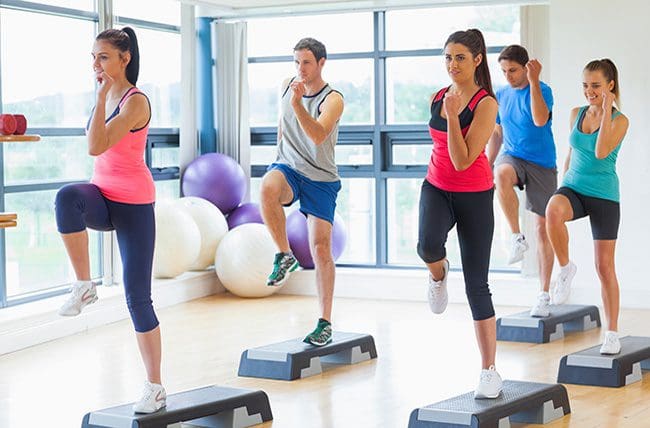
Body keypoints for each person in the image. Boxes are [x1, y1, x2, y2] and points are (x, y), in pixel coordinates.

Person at [55, 27, 166, 413]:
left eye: (103, 57)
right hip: (101, 196)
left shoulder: (136, 102)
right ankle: (84, 285)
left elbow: (95, 145)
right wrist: (101, 98)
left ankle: (154, 386)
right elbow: (94, 151)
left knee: (138, 298)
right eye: (93, 57)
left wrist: (102, 98)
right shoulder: (103, 98)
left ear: (124, 59)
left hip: (134, 204)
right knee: (67, 198)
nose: (95, 64)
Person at [417, 29, 502, 398]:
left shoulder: (485, 104)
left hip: (475, 196)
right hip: (436, 187)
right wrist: (447, 112)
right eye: (448, 58)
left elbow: (464, 158)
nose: (453, 65)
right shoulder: (438, 96)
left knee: (476, 286)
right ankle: (438, 275)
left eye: (461, 58)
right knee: (427, 247)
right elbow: (440, 150)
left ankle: (489, 371)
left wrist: (453, 117)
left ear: (477, 60)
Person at [260, 37, 344, 347]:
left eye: (306, 62)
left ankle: (324, 322)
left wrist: (298, 104)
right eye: (296, 62)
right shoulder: (287, 84)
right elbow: (283, 123)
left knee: (321, 249)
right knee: (268, 186)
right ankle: (284, 255)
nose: (300, 69)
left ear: (321, 63)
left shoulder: (333, 98)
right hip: (289, 168)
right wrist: (280, 154)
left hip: (321, 178)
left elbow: (319, 135)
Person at [545, 59, 628, 355]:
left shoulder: (620, 121)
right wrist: (562, 184)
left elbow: (601, 150)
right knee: (552, 210)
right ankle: (565, 268)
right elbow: (572, 152)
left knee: (604, 267)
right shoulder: (574, 114)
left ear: (610, 86)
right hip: (575, 187)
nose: (589, 91)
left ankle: (612, 332)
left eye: (595, 86)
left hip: (604, 195)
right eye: (585, 85)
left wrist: (605, 111)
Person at [488, 45, 557, 317]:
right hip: (513, 155)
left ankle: (544, 293)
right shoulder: (501, 94)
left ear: (526, 67)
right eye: (504, 71)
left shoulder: (543, 90)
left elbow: (540, 120)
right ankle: (517, 237)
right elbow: (497, 134)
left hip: (541, 163)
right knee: (500, 175)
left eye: (513, 70)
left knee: (543, 228)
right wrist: (487, 162)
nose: (508, 76)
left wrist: (534, 81)